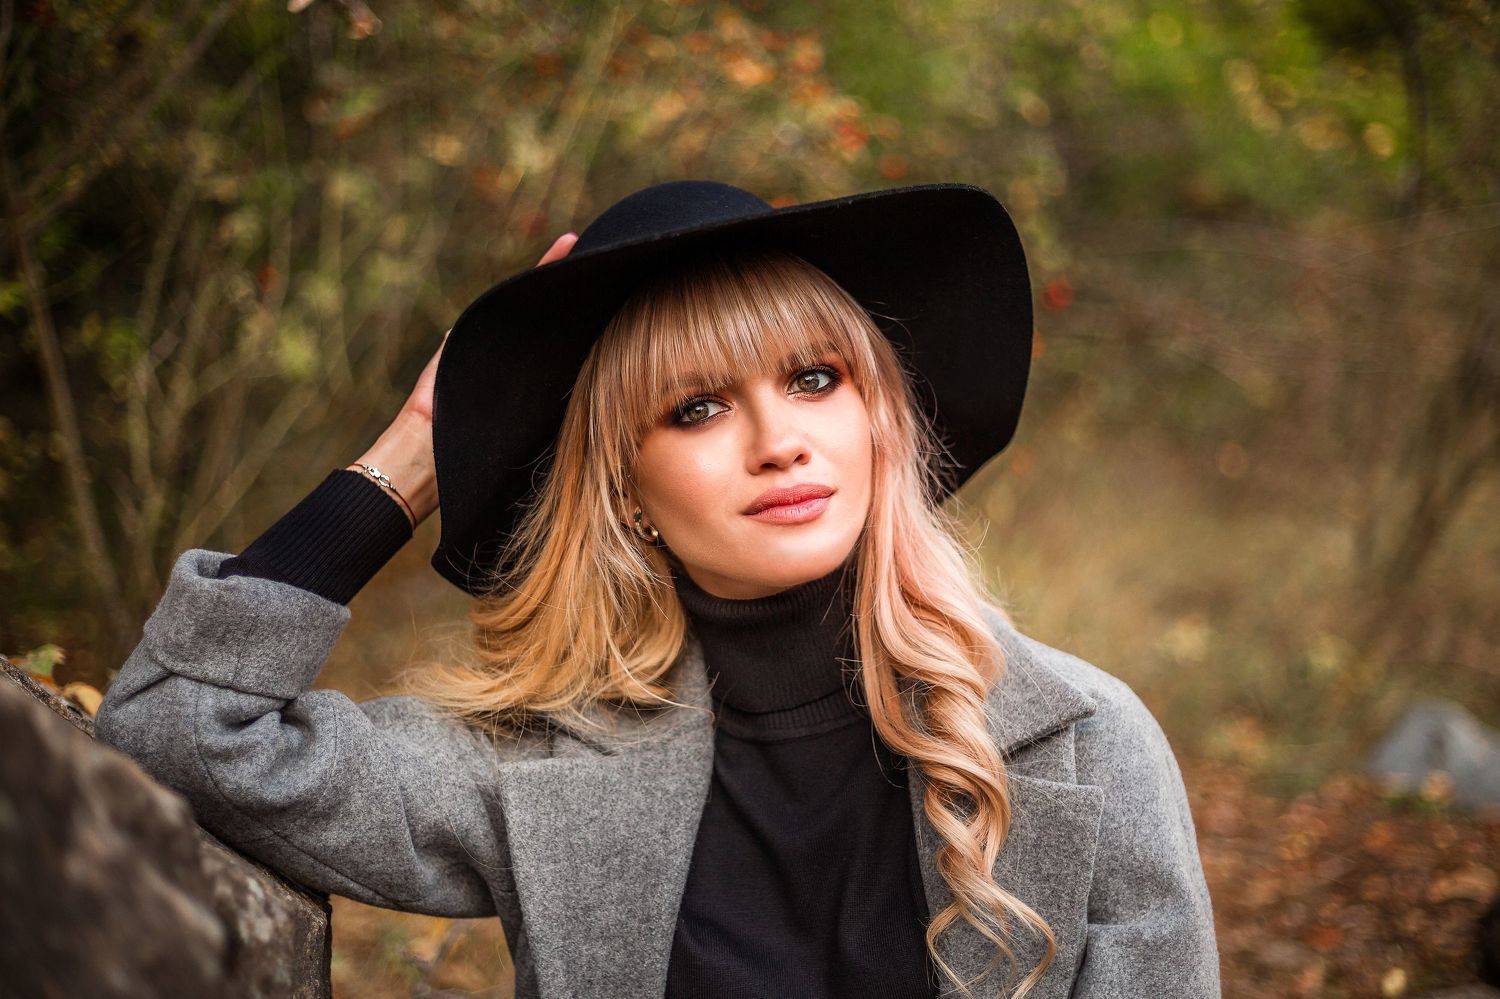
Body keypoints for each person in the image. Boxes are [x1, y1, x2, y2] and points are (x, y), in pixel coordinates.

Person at [95, 180, 1221, 998]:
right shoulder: (536, 766)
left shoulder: (1084, 746)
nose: (779, 441)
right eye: (697, 408)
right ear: (626, 491)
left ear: (880, 420)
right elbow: (180, 725)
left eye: (815, 378)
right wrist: (414, 454)